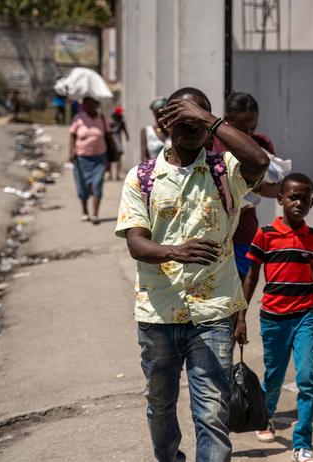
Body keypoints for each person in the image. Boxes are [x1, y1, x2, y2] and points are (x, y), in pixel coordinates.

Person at [115, 87, 269, 462]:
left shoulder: (224, 171)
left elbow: (259, 161)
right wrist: (174, 252)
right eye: (180, 119)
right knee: (160, 407)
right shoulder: (143, 177)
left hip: (213, 313)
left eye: (196, 119)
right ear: (166, 123)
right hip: (158, 313)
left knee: (213, 413)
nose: (189, 127)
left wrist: (211, 122)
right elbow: (136, 243)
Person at [237, 173, 313, 462]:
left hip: (305, 316)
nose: (298, 202)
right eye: (293, 197)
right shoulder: (266, 235)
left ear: (311, 202)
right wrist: (241, 315)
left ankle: (303, 443)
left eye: (304, 198)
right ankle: (265, 416)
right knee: (273, 377)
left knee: (307, 378)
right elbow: (251, 276)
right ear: (280, 199)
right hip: (273, 318)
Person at [212, 92, 281, 280]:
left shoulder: (261, 145)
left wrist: (251, 185)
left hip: (244, 229)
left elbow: (277, 189)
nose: (250, 133)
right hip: (213, 231)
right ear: (227, 121)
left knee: (241, 290)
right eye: (243, 128)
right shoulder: (211, 144)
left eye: (253, 126)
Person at [69, 96, 110, 224]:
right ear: (84, 105)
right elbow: (72, 136)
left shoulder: (102, 118)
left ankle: (96, 214)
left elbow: (108, 135)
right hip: (81, 158)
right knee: (82, 186)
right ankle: (85, 212)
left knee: (97, 185)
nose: (90, 106)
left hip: (100, 158)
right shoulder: (78, 118)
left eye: (93, 104)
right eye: (87, 104)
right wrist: (70, 152)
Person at [140, 97, 170, 161]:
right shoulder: (146, 131)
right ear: (154, 115)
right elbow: (143, 157)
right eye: (158, 114)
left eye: (164, 114)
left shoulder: (174, 131)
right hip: (153, 169)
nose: (161, 117)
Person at [109, 105, 130, 181]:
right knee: (111, 158)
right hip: (111, 139)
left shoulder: (121, 121)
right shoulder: (111, 120)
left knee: (119, 157)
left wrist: (127, 135)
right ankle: (110, 174)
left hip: (118, 140)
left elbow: (124, 129)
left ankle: (117, 174)